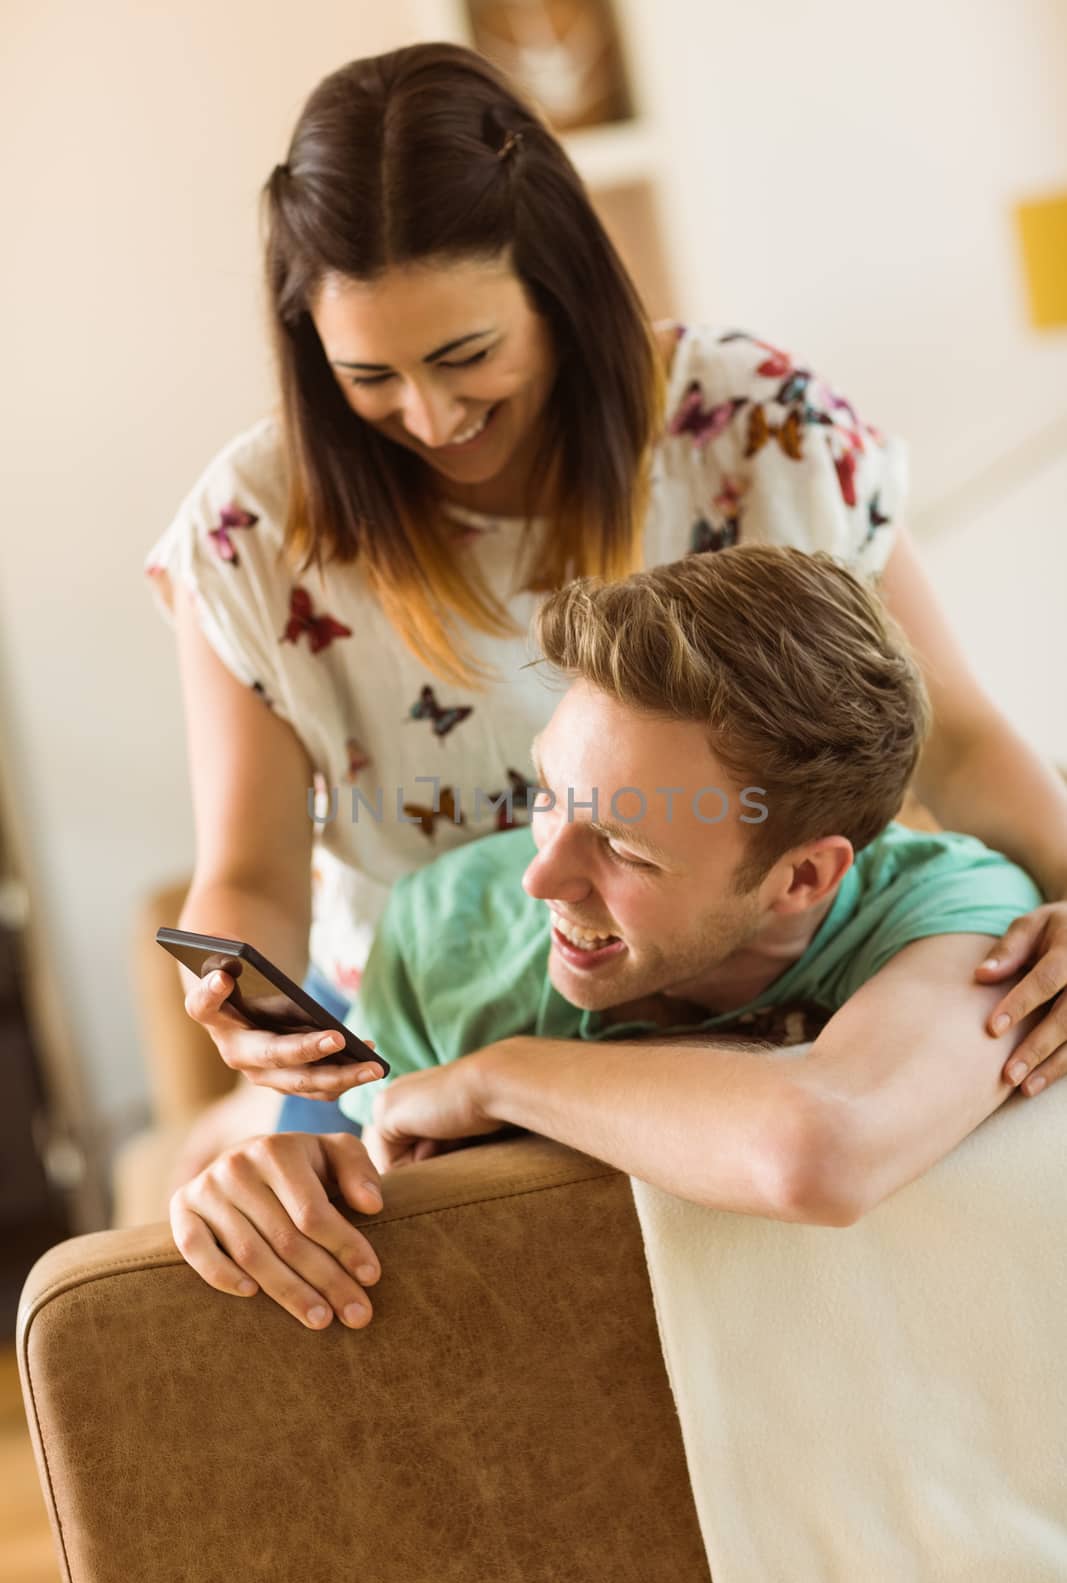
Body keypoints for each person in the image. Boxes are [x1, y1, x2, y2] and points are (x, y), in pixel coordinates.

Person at [146, 42, 1067, 1189]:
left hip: (746, 969)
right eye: (368, 377)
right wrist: (246, 1010)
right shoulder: (251, 528)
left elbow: (957, 735)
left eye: (464, 354)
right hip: (416, 1004)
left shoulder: (752, 427)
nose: (428, 417)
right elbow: (252, 872)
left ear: (557, 286)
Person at [169, 547, 1044, 1332]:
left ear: (803, 878)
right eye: (548, 793)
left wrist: (496, 1077)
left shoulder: (957, 912)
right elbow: (369, 1187)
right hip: (386, 987)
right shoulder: (446, 931)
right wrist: (274, 1177)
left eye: (623, 848)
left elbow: (816, 1153)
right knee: (216, 1151)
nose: (540, 877)